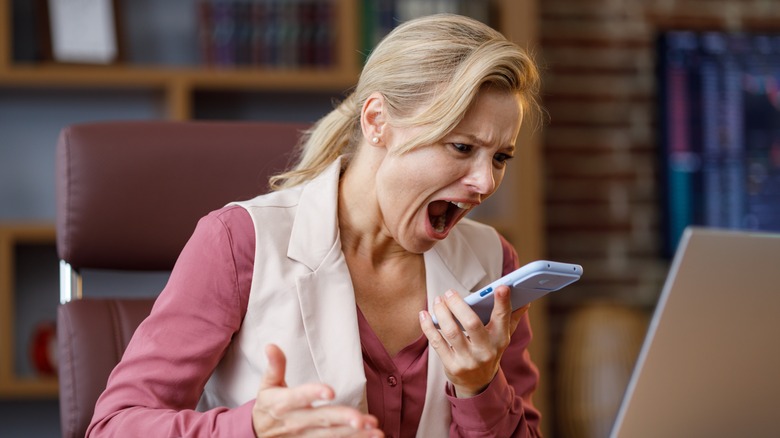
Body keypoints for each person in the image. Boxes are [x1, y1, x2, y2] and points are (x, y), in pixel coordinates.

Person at [88, 13, 543, 438]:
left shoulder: (494, 263)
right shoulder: (238, 242)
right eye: (462, 148)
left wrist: (479, 388)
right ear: (377, 121)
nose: (484, 183)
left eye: (500, 157)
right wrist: (253, 428)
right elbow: (114, 426)